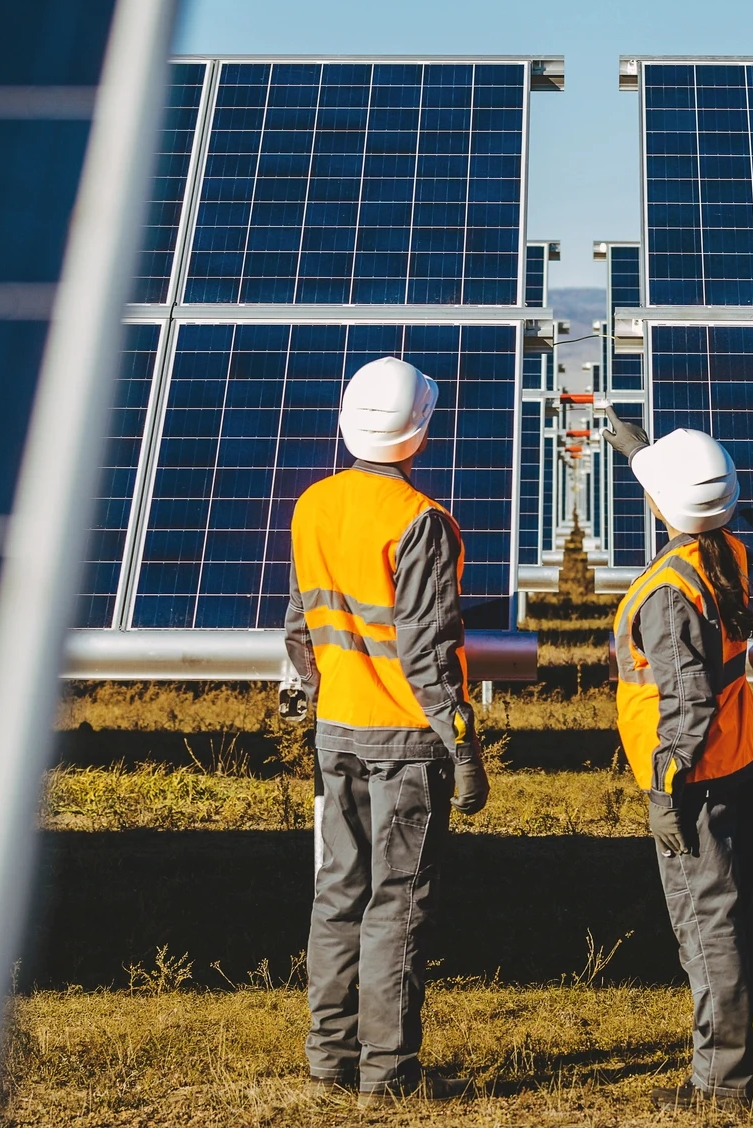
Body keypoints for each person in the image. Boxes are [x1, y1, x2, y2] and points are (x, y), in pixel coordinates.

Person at [284, 356, 489, 1106]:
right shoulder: (419, 521)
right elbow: (429, 653)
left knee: (337, 893)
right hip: (404, 741)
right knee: (396, 904)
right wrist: (464, 746)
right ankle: (387, 1073)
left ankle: (329, 1058)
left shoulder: (313, 504)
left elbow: (301, 627)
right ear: (419, 432)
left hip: (336, 729)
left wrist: (322, 700)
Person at [603, 419, 753, 1108]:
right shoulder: (726, 551)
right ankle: (725, 1066)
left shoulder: (669, 592)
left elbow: (686, 703)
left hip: (695, 781)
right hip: (740, 759)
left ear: (663, 503)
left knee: (708, 927)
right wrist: (643, 454)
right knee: (730, 915)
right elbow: (691, 502)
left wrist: (664, 791)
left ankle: (721, 1085)